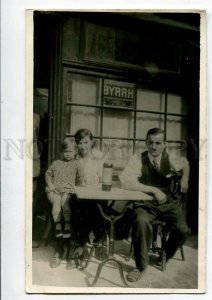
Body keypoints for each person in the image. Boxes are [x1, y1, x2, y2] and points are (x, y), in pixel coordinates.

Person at [119, 128, 190, 282]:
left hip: (167, 204)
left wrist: (185, 179)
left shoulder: (170, 157)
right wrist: (153, 190)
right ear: (146, 143)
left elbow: (185, 164)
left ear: (164, 144)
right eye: (150, 143)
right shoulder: (138, 158)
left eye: (158, 143)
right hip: (145, 203)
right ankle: (140, 267)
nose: (154, 146)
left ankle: (166, 254)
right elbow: (127, 183)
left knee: (183, 229)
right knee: (141, 221)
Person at [66, 128, 105, 269]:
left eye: (86, 142)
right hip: (78, 195)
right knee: (79, 206)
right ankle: (83, 246)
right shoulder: (73, 157)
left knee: (92, 208)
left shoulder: (99, 156)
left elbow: (104, 180)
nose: (83, 146)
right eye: (80, 142)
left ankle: (81, 247)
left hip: (96, 194)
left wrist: (93, 186)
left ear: (92, 142)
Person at [45, 139, 85, 239]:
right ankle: (58, 227)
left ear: (75, 152)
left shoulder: (77, 164)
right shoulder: (56, 163)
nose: (67, 154)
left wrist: (76, 188)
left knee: (65, 204)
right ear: (62, 152)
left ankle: (67, 226)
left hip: (68, 191)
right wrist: (50, 184)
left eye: (70, 152)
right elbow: (48, 174)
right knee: (56, 204)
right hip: (56, 191)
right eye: (65, 151)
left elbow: (81, 179)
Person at [32, 112, 41, 248]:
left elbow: (36, 137)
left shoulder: (36, 117)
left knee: (31, 200)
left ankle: (30, 236)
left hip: (33, 161)